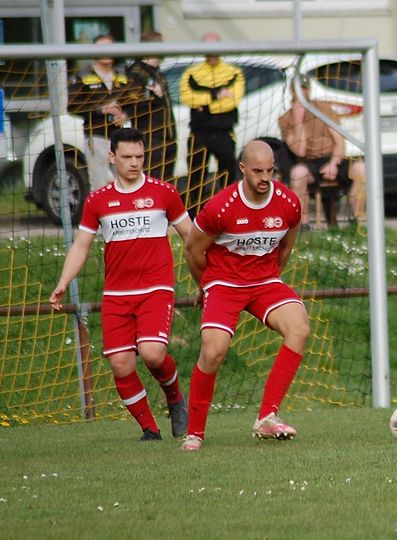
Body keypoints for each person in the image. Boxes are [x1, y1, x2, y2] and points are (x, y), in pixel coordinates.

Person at [49, 127, 191, 441]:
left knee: (153, 353)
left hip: (156, 288)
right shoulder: (98, 200)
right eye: (127, 157)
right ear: (112, 157)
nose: (134, 163)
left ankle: (176, 399)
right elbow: (82, 245)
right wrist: (63, 282)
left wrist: (207, 277)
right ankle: (150, 430)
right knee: (121, 363)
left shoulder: (164, 192)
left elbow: (191, 238)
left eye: (139, 156)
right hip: (117, 294)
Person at [181, 140, 309, 451]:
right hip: (223, 284)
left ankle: (267, 417)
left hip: (265, 281)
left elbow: (286, 247)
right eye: (257, 171)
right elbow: (193, 250)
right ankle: (194, 433)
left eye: (270, 171)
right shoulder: (220, 208)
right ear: (242, 169)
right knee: (213, 352)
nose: (265, 178)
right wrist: (205, 286)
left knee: (300, 328)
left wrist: (272, 279)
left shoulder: (289, 202)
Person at [278, 78, 366, 228]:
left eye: (306, 88)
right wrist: (298, 121)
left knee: (361, 169)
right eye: (300, 89)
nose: (303, 93)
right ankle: (303, 226)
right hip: (309, 161)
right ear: (292, 91)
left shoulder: (323, 108)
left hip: (333, 158)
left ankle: (354, 220)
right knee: (298, 174)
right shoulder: (286, 119)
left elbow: (339, 141)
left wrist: (333, 163)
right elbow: (300, 150)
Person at [180, 32, 245, 198]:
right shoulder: (191, 73)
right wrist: (217, 95)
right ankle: (195, 215)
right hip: (199, 132)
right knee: (195, 177)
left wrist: (203, 105)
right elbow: (187, 98)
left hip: (224, 131)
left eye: (215, 47)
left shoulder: (234, 72)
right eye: (207, 48)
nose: (212, 52)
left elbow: (233, 100)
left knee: (228, 175)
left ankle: (229, 211)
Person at [67, 34, 133, 191]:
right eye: (102, 48)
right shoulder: (83, 75)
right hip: (96, 135)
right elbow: (73, 106)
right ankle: (101, 215)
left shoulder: (122, 75)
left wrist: (124, 115)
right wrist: (100, 110)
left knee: (125, 182)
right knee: (100, 184)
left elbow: (133, 101)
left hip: (120, 136)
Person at [126, 30, 177, 181]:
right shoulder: (136, 73)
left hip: (167, 136)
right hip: (151, 137)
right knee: (153, 181)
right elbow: (132, 106)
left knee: (166, 182)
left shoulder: (158, 74)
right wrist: (153, 97)